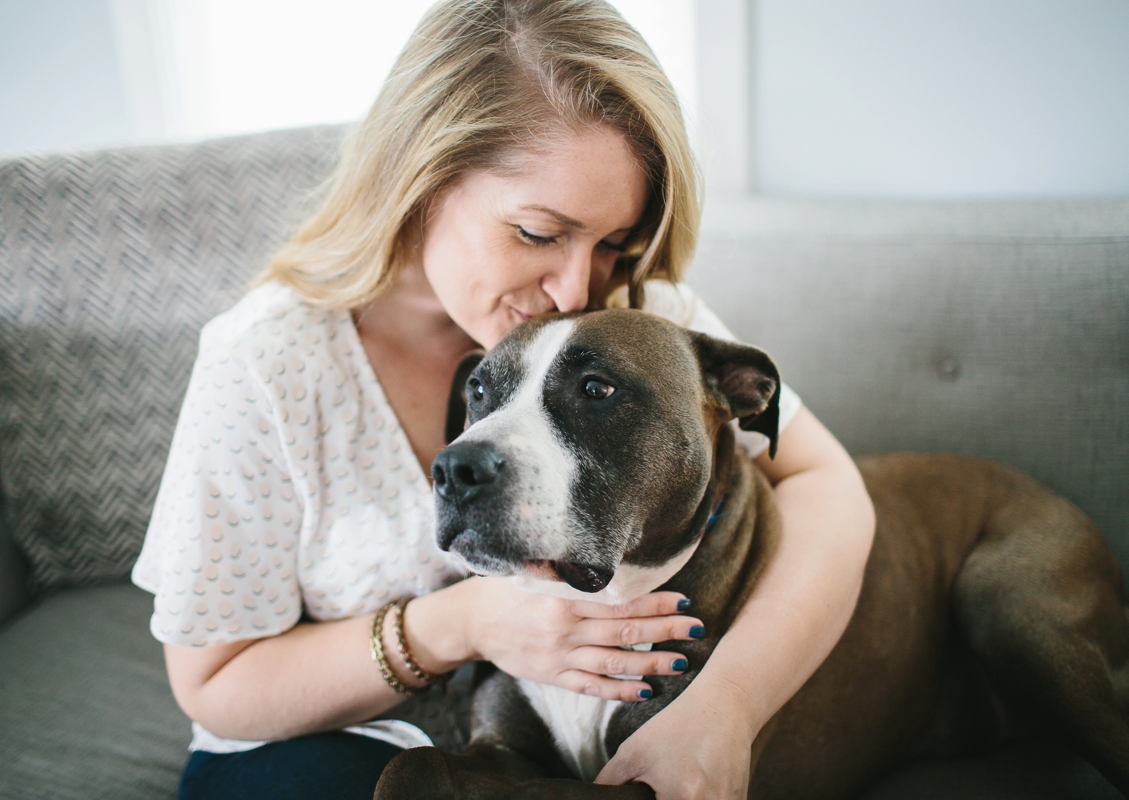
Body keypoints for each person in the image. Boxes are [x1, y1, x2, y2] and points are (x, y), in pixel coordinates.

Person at [130, 1, 876, 798]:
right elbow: (214, 686)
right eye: (536, 232)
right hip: (331, 743)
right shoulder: (266, 364)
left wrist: (728, 705)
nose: (576, 287)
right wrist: (461, 624)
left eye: (611, 243)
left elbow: (832, 489)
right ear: (420, 177)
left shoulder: (639, 320)